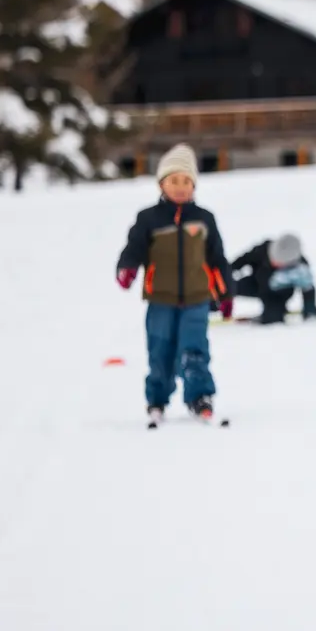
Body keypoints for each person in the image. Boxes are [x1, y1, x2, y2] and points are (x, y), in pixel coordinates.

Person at [116, 143, 231, 425]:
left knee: (195, 350)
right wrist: (127, 268)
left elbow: (217, 258)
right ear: (161, 184)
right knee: (160, 351)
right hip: (160, 299)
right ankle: (157, 398)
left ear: (194, 185)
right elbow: (134, 248)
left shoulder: (204, 219)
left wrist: (226, 293)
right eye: (173, 181)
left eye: (186, 181)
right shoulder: (148, 219)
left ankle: (199, 396)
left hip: (197, 298)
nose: (180, 187)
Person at [227, 234, 316, 324]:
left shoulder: (300, 268)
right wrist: (226, 273)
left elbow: (308, 289)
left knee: (272, 320)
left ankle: (272, 314)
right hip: (256, 283)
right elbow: (243, 260)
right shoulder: (263, 249)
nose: (274, 263)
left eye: (280, 262)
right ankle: (213, 305)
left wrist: (310, 311)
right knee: (227, 287)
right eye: (273, 259)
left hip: (277, 295)